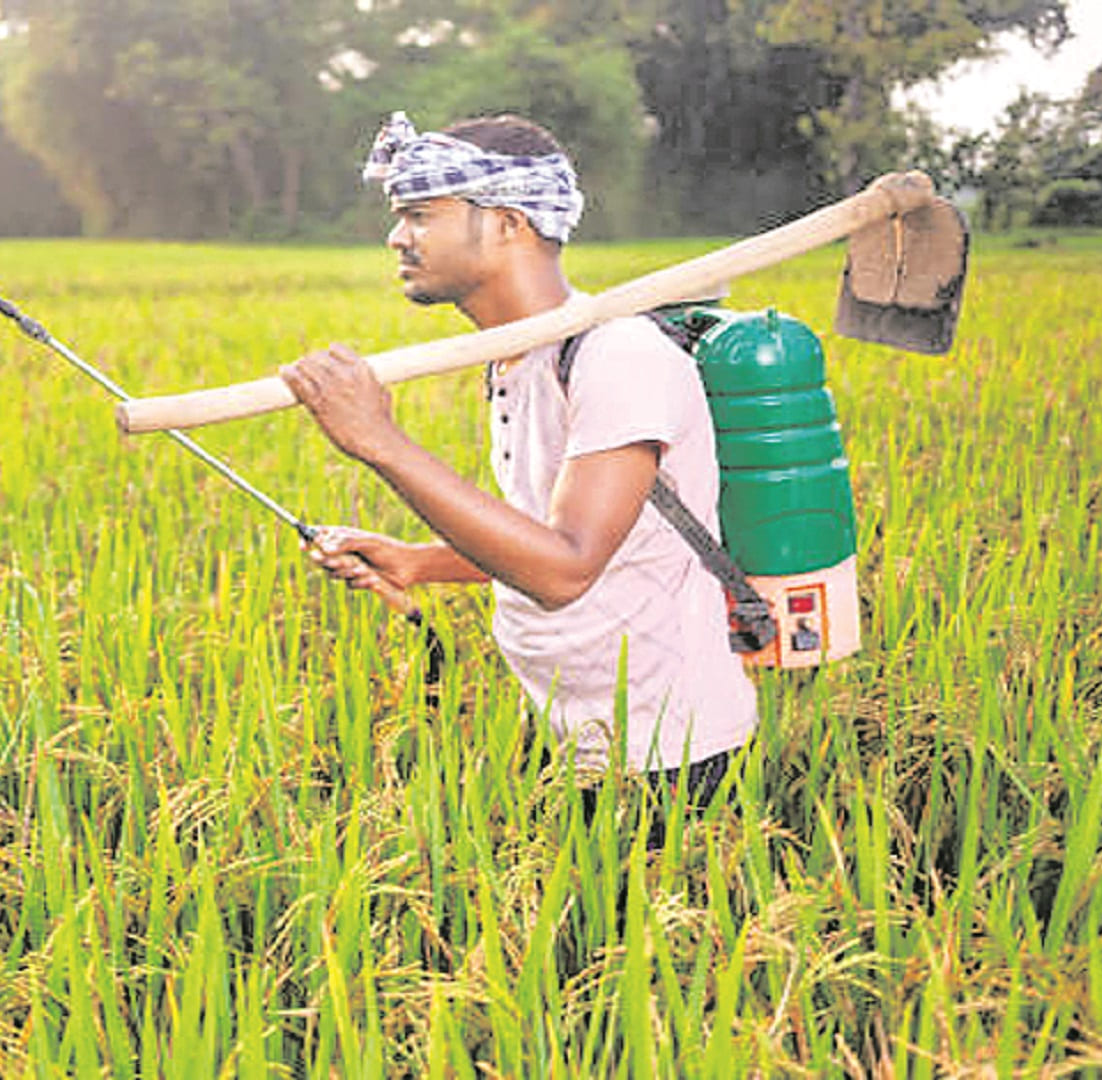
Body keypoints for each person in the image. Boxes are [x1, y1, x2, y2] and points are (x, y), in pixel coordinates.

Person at [279, 111, 755, 811]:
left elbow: (563, 567)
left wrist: (380, 443)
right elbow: (540, 533)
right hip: (572, 736)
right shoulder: (520, 359)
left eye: (419, 214)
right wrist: (419, 561)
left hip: (665, 757)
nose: (396, 236)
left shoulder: (616, 355)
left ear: (508, 222)